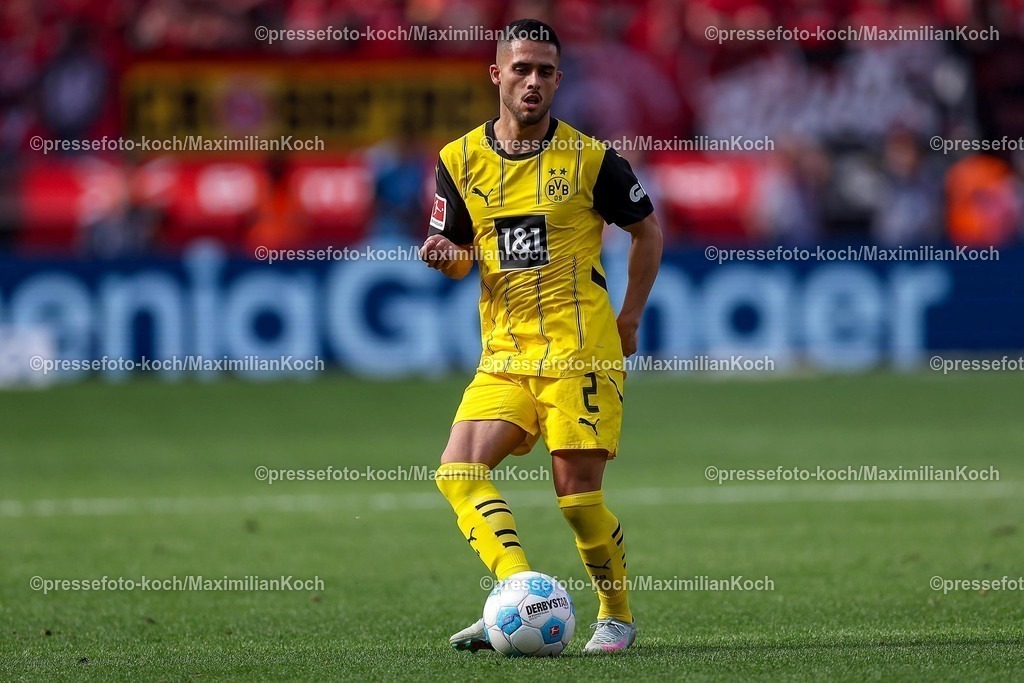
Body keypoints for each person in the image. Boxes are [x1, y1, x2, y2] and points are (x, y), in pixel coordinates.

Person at [418, 18, 662, 654]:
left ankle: (616, 616)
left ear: (558, 80)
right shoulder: (457, 160)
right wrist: (447, 257)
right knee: (458, 471)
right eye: (521, 68)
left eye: (545, 71)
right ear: (496, 74)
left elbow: (647, 232)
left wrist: (630, 316)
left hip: (579, 353)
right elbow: (464, 258)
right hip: (505, 354)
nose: (532, 81)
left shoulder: (591, 160)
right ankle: (519, 592)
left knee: (577, 499)